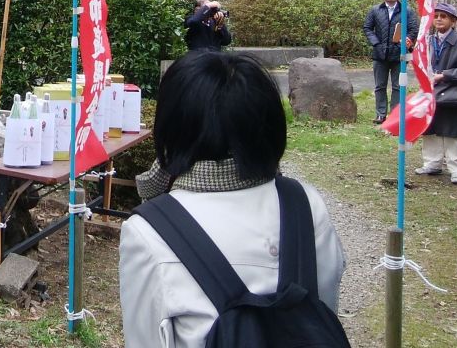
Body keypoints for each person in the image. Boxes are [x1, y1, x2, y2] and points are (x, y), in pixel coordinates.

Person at [121, 52, 345, 348]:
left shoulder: (148, 231)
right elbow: (322, 313)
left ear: (171, 129)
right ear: (270, 126)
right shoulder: (306, 204)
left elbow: (144, 339)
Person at [415, 2, 457, 185]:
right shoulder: (428, 40)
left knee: (452, 133)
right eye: (436, 16)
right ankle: (432, 163)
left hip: (452, 92)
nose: (439, 19)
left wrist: (444, 76)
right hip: (431, 92)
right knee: (430, 129)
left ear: (454, 21)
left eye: (444, 16)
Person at [363, 0, 418, 124]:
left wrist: (407, 40)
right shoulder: (375, 10)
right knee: (380, 86)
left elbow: (413, 29)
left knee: (398, 86)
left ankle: (395, 115)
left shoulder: (407, 10)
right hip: (380, 54)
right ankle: (380, 114)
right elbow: (367, 28)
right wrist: (376, 43)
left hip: (399, 54)